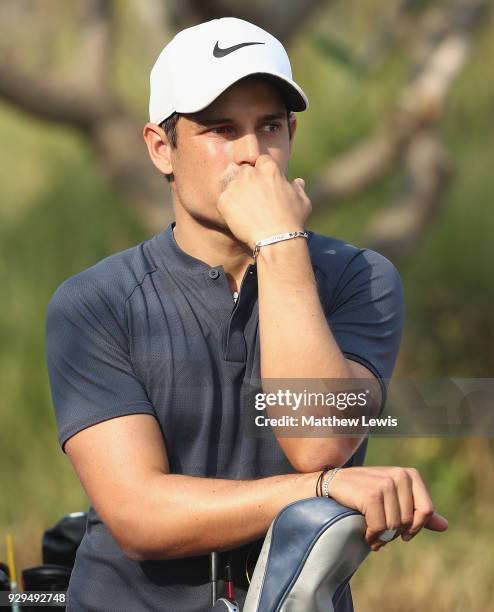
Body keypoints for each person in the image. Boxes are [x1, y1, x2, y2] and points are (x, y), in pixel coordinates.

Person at [45, 17, 448, 612]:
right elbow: (139, 516)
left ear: (292, 134)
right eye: (220, 130)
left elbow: (318, 441)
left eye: (269, 127)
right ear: (162, 148)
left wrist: (281, 245)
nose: (253, 155)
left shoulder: (360, 278)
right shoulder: (95, 301)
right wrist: (318, 491)